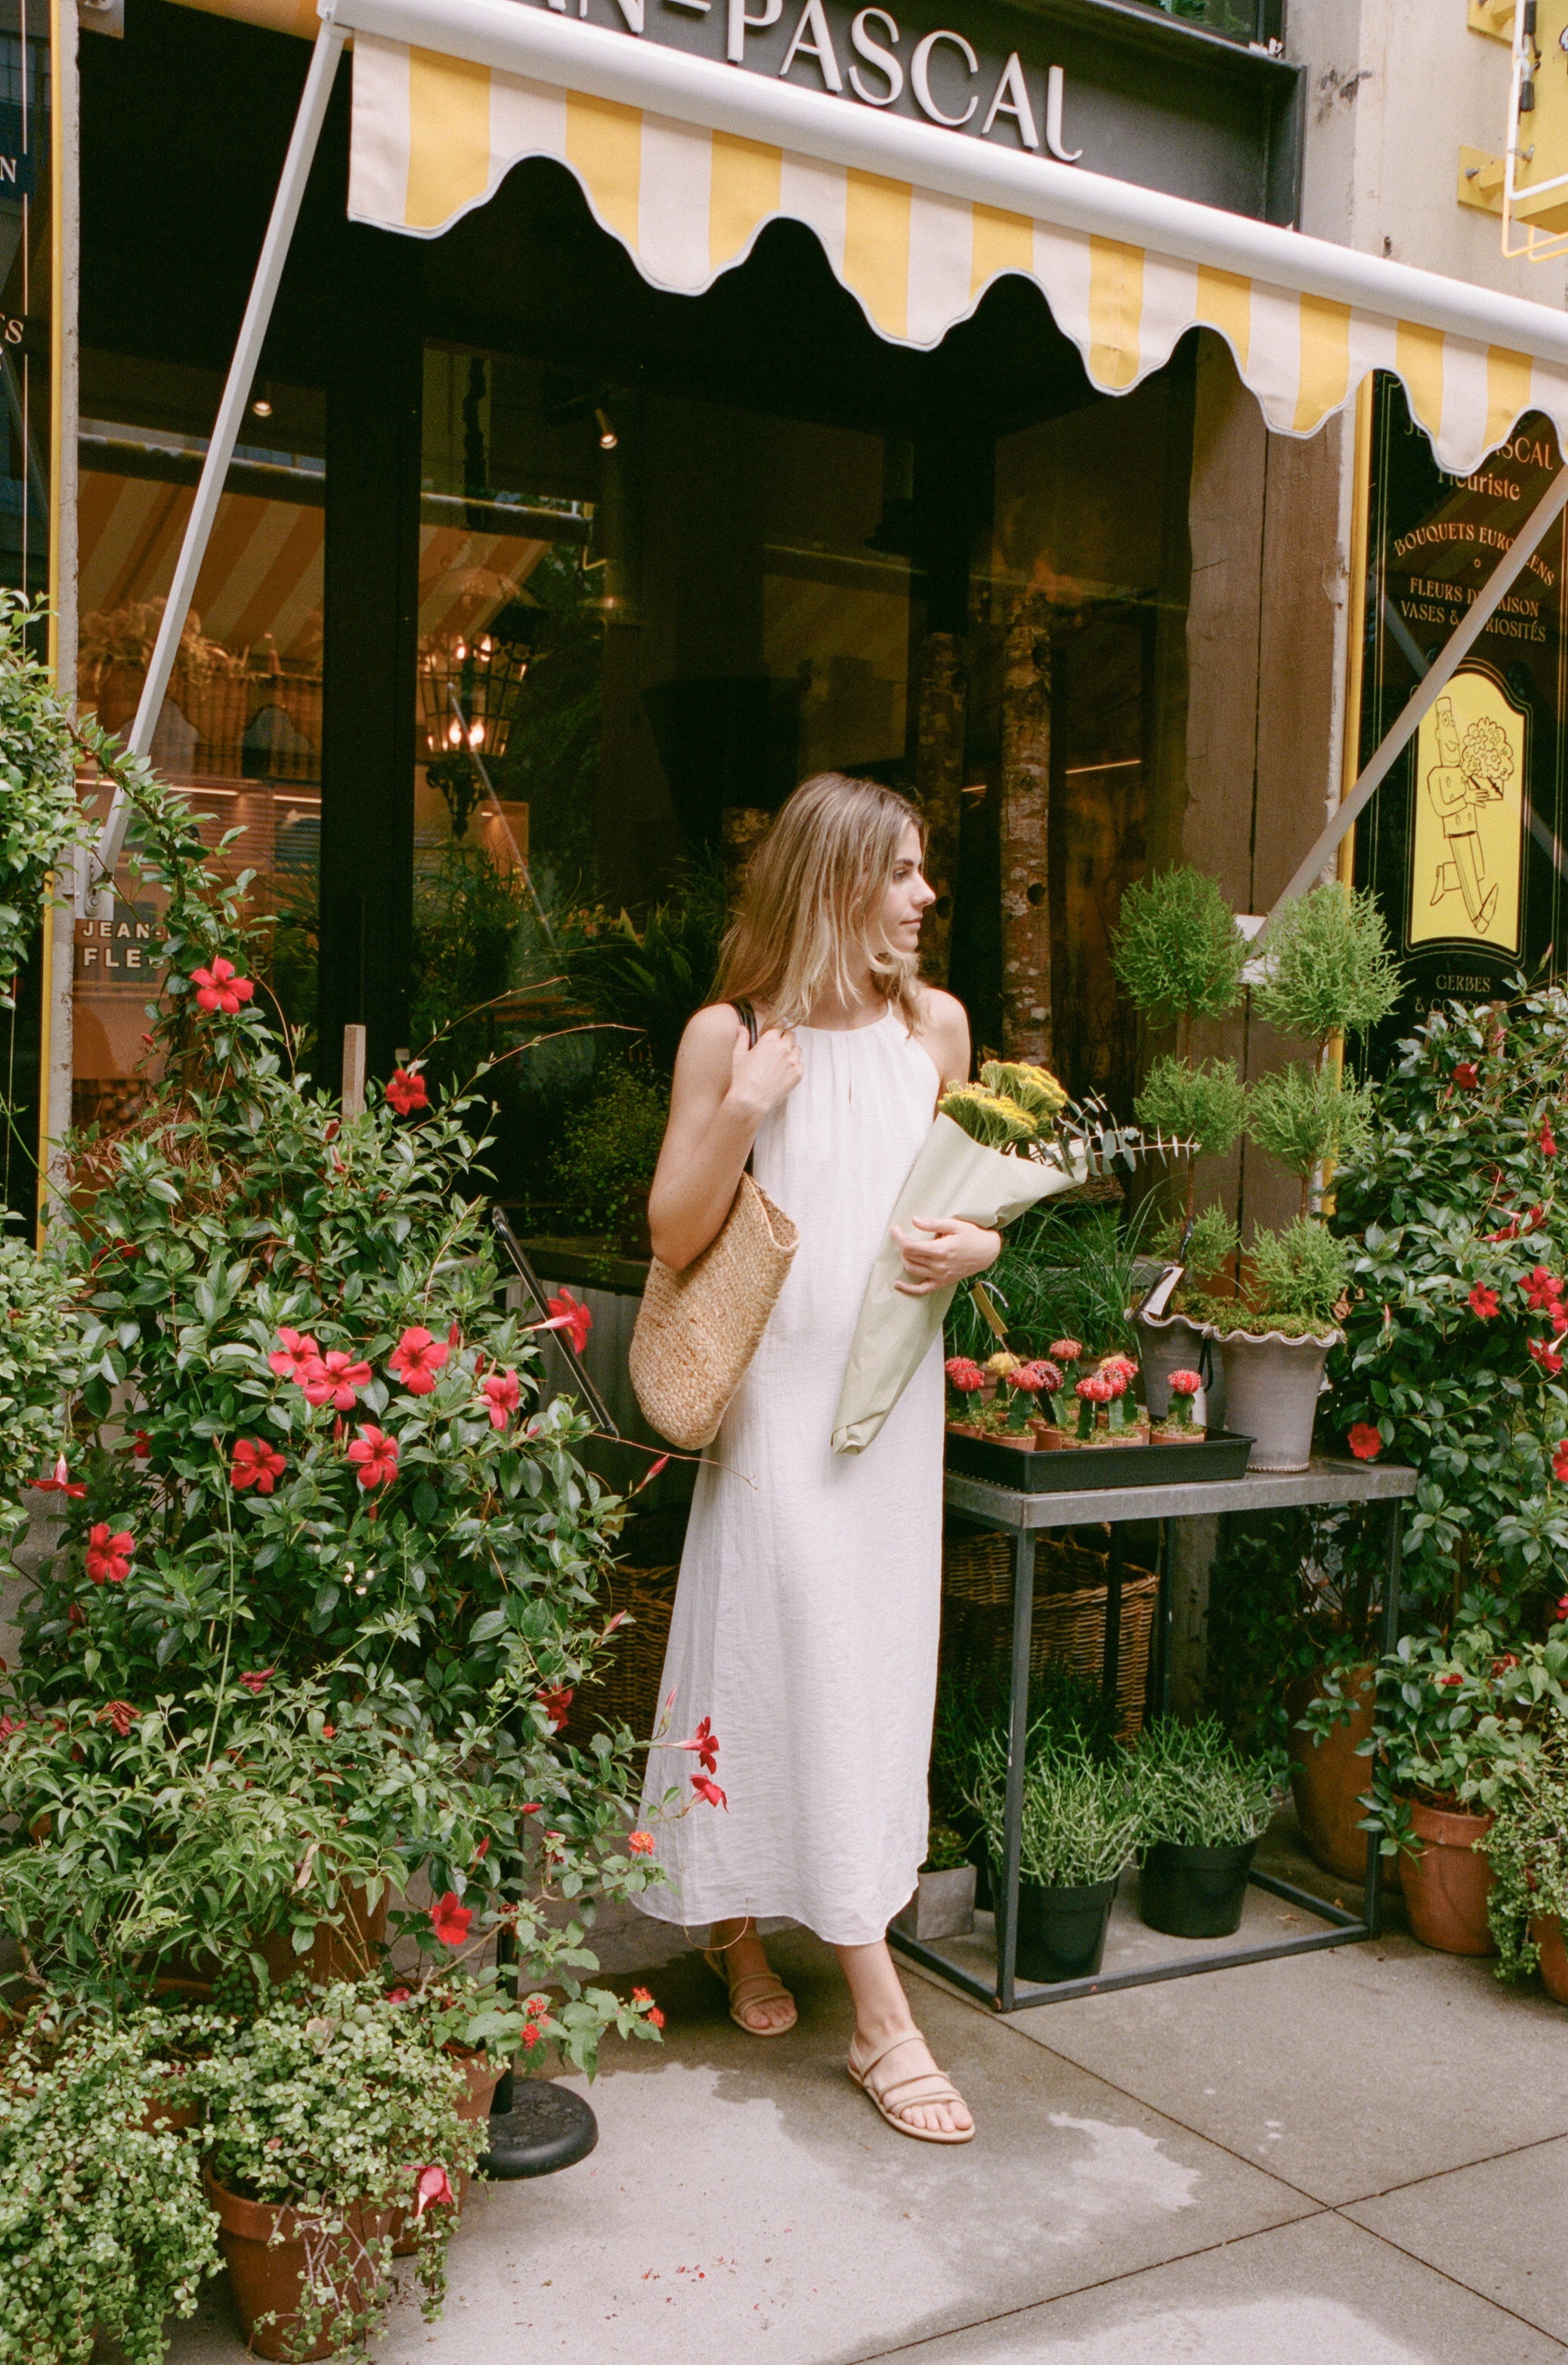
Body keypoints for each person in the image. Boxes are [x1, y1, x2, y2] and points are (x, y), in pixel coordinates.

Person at [634, 771, 1001, 2144]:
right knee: (788, 1638)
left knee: (863, 1664)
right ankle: (883, 2013)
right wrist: (743, 1104)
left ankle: (736, 1913)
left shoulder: (937, 1031)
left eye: (925, 873)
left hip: (894, 1399)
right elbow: (673, 1234)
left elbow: (969, 1202)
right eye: (901, 871)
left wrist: (981, 1248)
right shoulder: (730, 1032)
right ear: (837, 878)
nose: (923, 896)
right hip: (781, 1397)